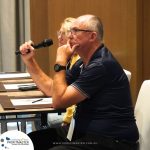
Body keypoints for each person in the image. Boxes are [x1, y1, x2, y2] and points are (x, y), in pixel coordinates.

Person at [19, 14, 139, 150]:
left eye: (76, 31)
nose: (70, 36)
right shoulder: (83, 62)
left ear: (92, 36)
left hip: (111, 141)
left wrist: (61, 62)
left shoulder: (101, 65)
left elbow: (59, 102)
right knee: (30, 141)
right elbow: (52, 90)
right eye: (70, 31)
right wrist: (30, 61)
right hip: (83, 133)